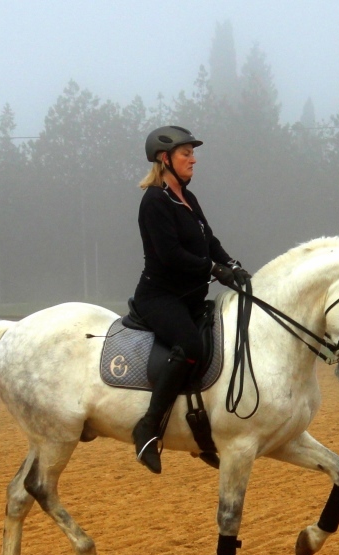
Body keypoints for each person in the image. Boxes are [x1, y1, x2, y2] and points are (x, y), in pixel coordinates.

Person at [131, 125, 250, 474]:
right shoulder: (154, 201)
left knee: (220, 340)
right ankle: (148, 429)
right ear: (164, 158)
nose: (193, 160)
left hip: (191, 298)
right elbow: (170, 255)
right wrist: (214, 269)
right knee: (191, 345)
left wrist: (234, 266)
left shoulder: (187, 197)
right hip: (160, 298)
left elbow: (208, 240)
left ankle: (201, 434)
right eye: (186, 154)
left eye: (192, 154)